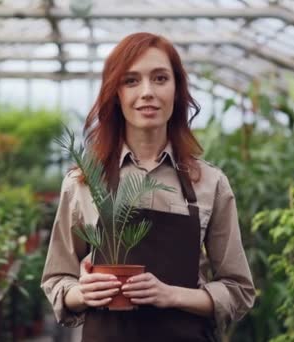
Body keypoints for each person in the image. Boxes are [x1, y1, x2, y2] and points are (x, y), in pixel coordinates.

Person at [41, 32, 255, 342]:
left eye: (159, 78)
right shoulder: (84, 182)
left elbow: (238, 289)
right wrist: (81, 292)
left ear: (176, 90)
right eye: (131, 81)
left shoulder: (209, 183)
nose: (147, 93)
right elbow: (57, 278)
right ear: (115, 93)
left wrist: (172, 295)